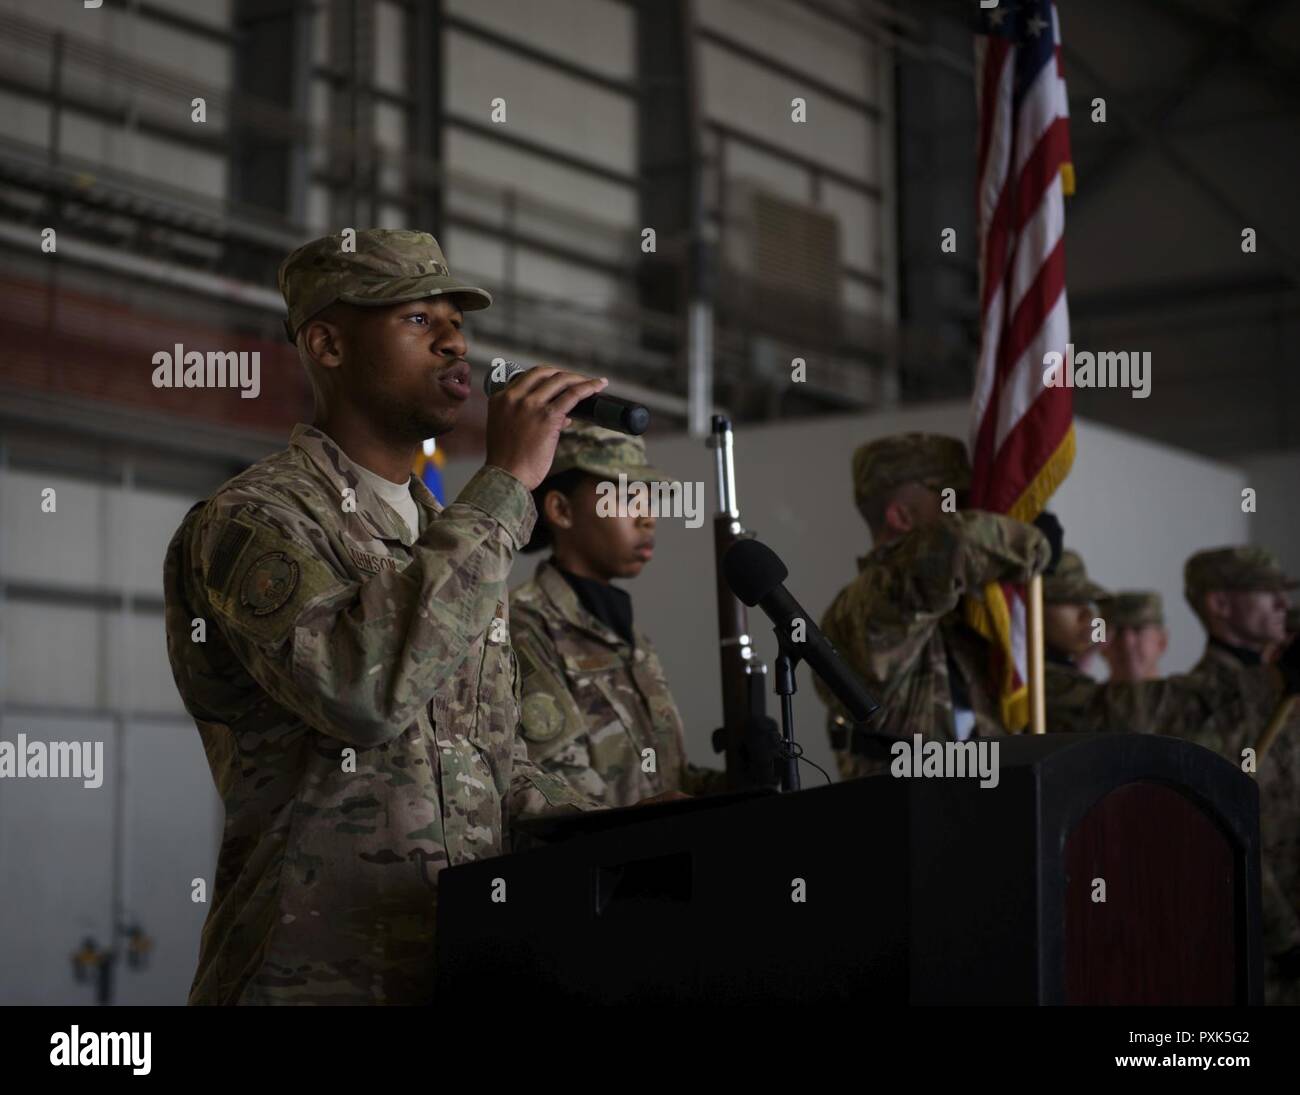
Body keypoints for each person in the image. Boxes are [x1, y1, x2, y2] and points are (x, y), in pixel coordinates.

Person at [163, 228, 609, 1005]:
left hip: (454, 969)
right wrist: (505, 485)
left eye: (457, 322)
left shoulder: (442, 536)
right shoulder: (253, 520)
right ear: (328, 345)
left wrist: (635, 824)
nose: (453, 342)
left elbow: (487, 768)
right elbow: (360, 692)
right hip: (305, 982)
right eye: (417, 320)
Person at [510, 423, 725, 807]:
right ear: (561, 510)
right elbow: (548, 794)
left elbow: (664, 778)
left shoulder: (626, 635)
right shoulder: (525, 628)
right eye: (625, 497)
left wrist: (740, 782)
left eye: (648, 500)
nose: (648, 518)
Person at [815, 433, 1051, 779]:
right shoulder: (864, 609)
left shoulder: (962, 614)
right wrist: (1028, 542)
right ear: (901, 515)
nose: (971, 511)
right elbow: (954, 543)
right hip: (906, 826)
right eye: (952, 499)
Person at [1182, 547, 1300, 1002]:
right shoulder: (1202, 701)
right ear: (1221, 604)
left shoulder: (1283, 686)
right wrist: (1286, 936)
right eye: (1266, 593)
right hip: (1265, 954)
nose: (1282, 605)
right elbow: (1223, 825)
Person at [1097, 591, 1167, 682]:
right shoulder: (1081, 695)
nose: (1127, 642)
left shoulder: (1185, 695)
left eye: (1137, 629)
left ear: (1162, 642)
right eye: (1118, 631)